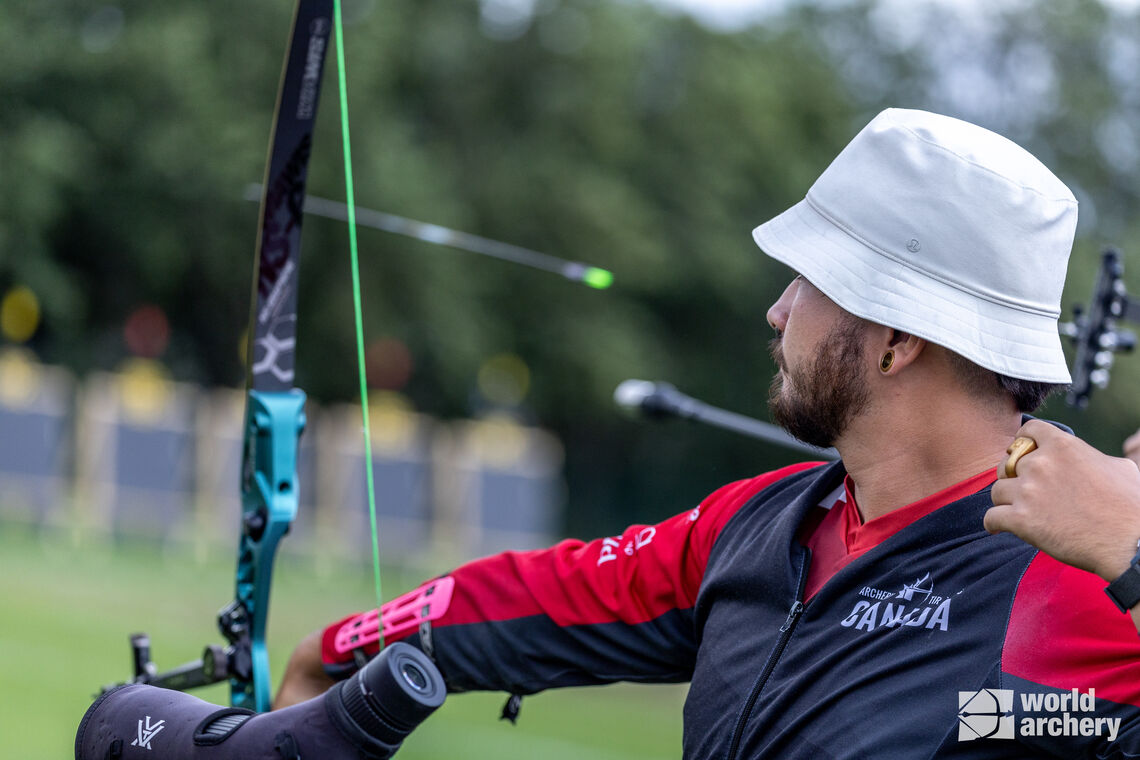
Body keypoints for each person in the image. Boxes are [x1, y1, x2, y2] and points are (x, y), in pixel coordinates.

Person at [276, 109, 1140, 756]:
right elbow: (546, 597)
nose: (779, 311)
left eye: (809, 281)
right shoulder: (759, 526)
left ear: (897, 337)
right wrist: (343, 649)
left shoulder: (1088, 583)